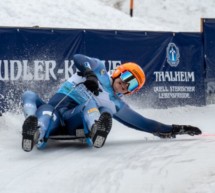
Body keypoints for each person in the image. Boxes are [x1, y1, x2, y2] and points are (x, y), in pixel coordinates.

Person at [21, 54, 202, 152]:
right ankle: (34, 130)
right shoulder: (98, 69)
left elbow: (143, 123)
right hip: (54, 113)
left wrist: (174, 129)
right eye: (126, 78)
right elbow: (78, 58)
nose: (124, 85)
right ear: (119, 72)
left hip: (75, 118)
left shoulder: (116, 103)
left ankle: (96, 129)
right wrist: (89, 74)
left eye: (131, 86)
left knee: (97, 107)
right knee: (35, 101)